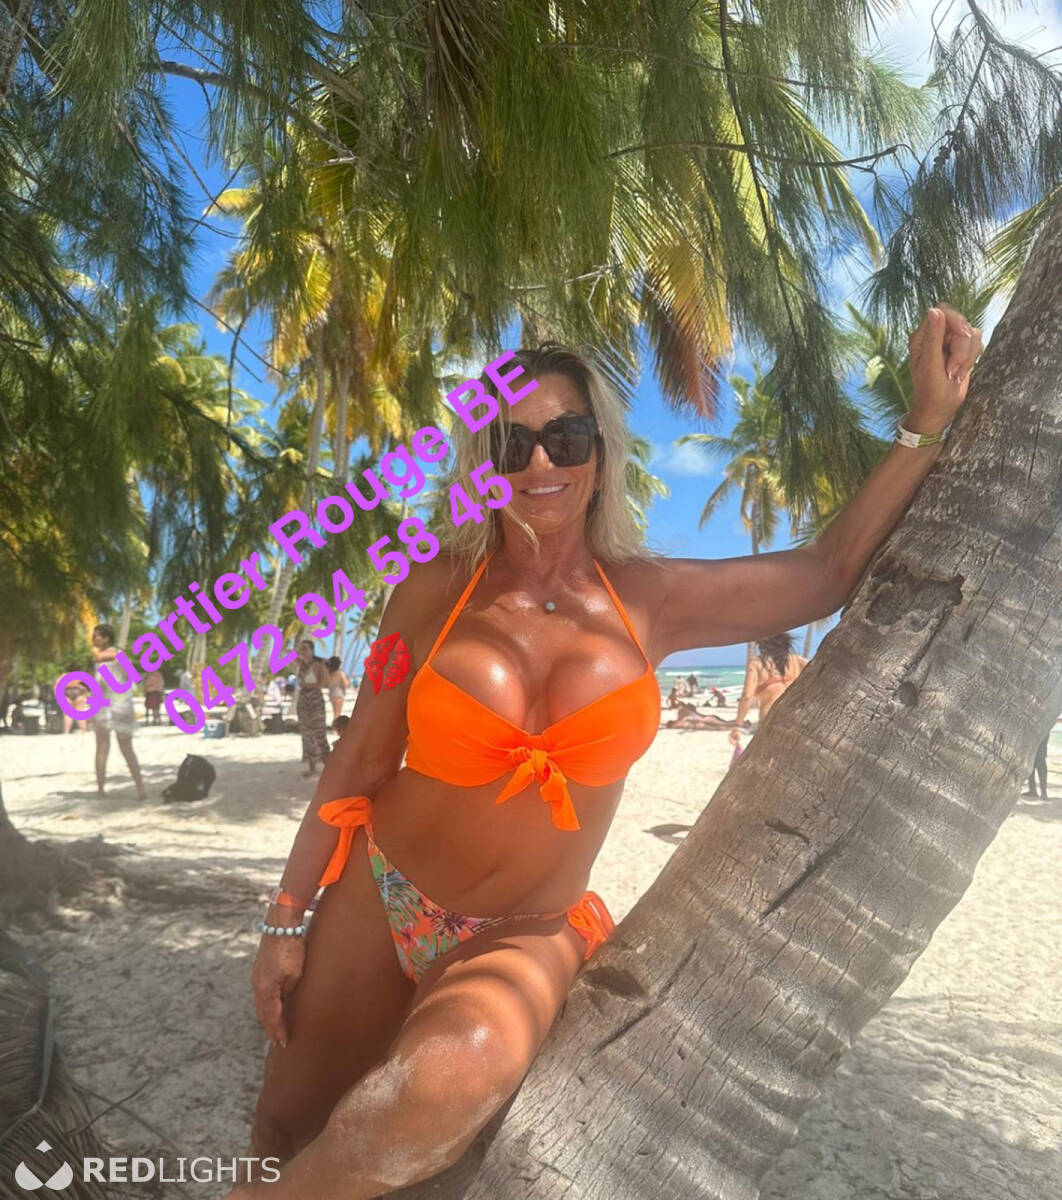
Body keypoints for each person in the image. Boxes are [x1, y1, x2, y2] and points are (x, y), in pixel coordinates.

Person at [231, 308, 979, 1199]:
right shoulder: (432, 588)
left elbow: (825, 574)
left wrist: (925, 423)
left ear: (601, 449)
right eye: (510, 444)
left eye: (565, 436)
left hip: (522, 932)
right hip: (377, 891)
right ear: (483, 464)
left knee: (436, 1088)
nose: (539, 464)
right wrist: (286, 917)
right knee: (283, 1129)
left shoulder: (650, 597)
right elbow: (357, 762)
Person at [89, 624, 147, 802]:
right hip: (119, 703)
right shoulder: (117, 656)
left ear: (106, 638)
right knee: (124, 748)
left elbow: (100, 661)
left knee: (104, 748)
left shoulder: (107, 656)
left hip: (111, 704)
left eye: (97, 636)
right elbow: (134, 677)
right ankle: (140, 789)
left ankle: (101, 790)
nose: (93, 638)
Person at [729, 633, 809, 751]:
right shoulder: (797, 660)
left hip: (770, 718)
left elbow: (747, 696)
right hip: (796, 717)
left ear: (762, 645)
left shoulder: (756, 664)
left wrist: (738, 725)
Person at [295, 640, 332, 777]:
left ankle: (329, 766)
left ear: (312, 650)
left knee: (319, 732)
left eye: (305, 649)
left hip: (315, 698)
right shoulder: (300, 665)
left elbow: (325, 683)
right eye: (301, 649)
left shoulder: (319, 665)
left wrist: (324, 666)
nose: (302, 652)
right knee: (306, 733)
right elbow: (285, 654)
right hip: (303, 699)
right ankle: (312, 767)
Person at [1023, 731, 1050, 799]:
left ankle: (1039, 792)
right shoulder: (1045, 729)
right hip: (1039, 753)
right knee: (1038, 773)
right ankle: (1039, 792)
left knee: (1036, 772)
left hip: (1036, 753)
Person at [325, 656, 349, 723]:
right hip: (339, 694)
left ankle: (334, 726)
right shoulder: (340, 673)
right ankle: (335, 727)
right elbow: (346, 684)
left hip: (331, 693)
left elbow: (326, 684)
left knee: (335, 713)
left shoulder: (329, 673)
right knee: (337, 714)